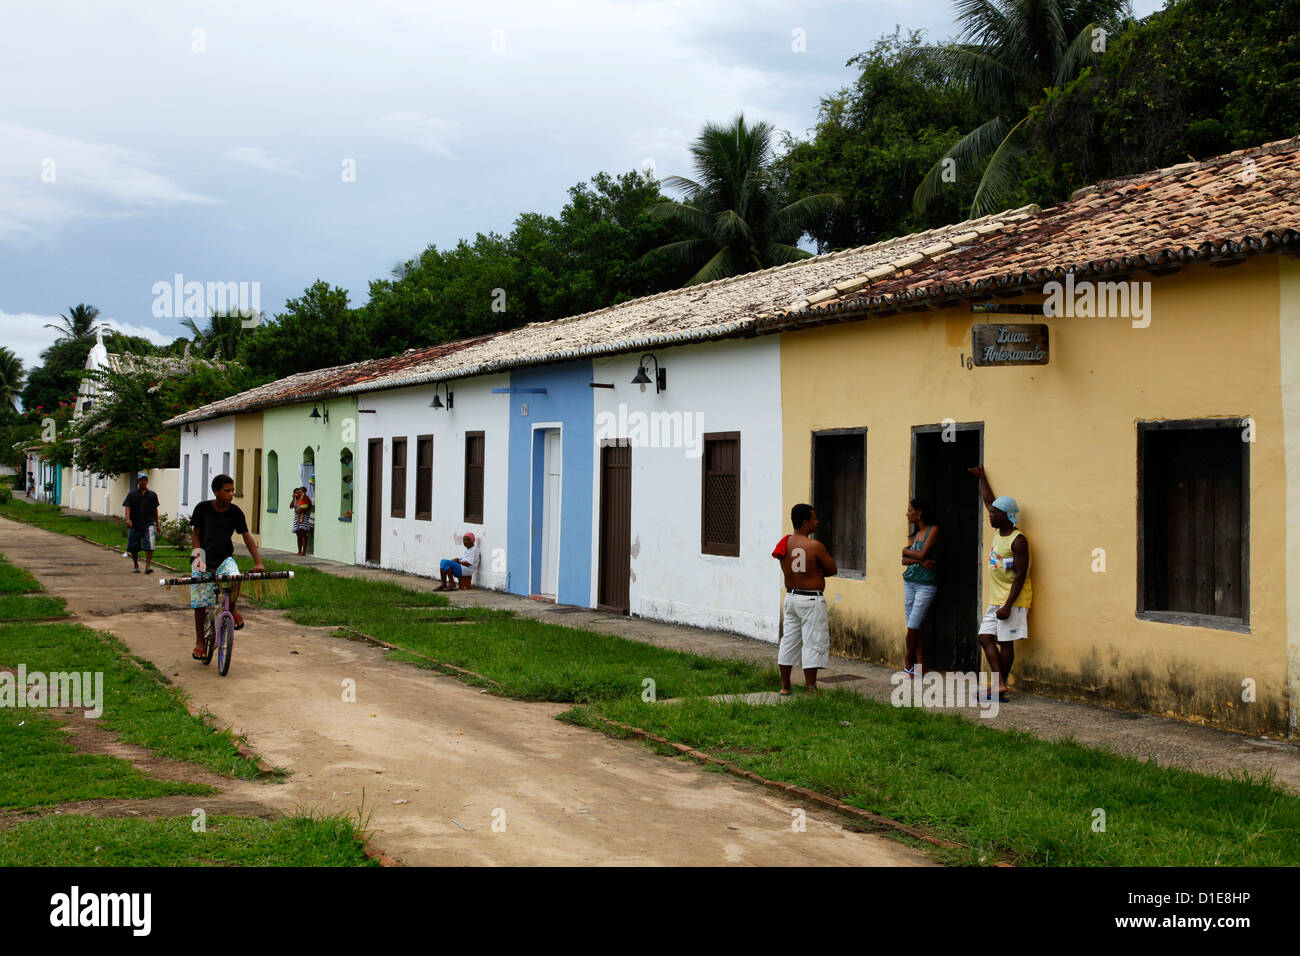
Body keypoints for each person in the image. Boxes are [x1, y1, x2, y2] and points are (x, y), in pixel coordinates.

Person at [968, 465, 1031, 702]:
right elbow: (989, 500)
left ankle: (998, 688)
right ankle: (1000, 684)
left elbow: (1021, 574)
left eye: (994, 513)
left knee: (1005, 643)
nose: (989, 514)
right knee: (985, 638)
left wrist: (1008, 605)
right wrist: (982, 477)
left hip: (1012, 600)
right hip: (997, 599)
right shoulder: (998, 532)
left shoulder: (1018, 541)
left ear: (1004, 515)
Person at [190, 474, 263, 660]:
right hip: (203, 559)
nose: (231, 494)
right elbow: (196, 535)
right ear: (216, 492)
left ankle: (232, 608)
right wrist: (198, 557)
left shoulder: (235, 512)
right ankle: (200, 642)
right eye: (227, 490)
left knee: (235, 577)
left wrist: (258, 562)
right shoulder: (203, 509)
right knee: (201, 601)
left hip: (224, 559)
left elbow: (247, 537)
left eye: (233, 490)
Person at [775, 503, 837, 695]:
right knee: (812, 642)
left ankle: (786, 686)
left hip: (791, 597)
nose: (816, 522)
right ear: (804, 522)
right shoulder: (814, 546)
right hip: (811, 600)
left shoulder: (784, 543)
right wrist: (816, 570)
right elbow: (832, 569)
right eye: (813, 519)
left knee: (789, 641)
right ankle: (811, 687)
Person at [900, 497, 940, 676]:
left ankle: (908, 659)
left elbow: (920, 553)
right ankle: (921, 664)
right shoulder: (917, 533)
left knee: (914, 624)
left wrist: (908, 552)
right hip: (910, 580)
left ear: (919, 512)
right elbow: (904, 560)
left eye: (910, 510)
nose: (907, 513)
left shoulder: (933, 530)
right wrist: (920, 560)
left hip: (926, 584)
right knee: (914, 624)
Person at [122, 472, 161, 574]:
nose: (143, 482)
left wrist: (157, 524)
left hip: (149, 523)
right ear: (138, 482)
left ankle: (148, 566)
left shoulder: (152, 495)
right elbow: (128, 507)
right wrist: (128, 519)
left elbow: (155, 510)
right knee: (134, 546)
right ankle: (136, 565)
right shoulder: (132, 494)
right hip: (135, 524)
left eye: (145, 480)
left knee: (150, 545)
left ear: (147, 482)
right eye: (141, 480)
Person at [291, 486, 314, 555]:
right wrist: (293, 498)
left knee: (303, 534)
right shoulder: (295, 500)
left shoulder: (304, 498)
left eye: (299, 492)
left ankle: (304, 552)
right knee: (298, 535)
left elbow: (308, 507)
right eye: (296, 493)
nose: (298, 494)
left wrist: (302, 510)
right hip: (296, 517)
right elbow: (291, 506)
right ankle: (299, 551)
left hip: (304, 517)